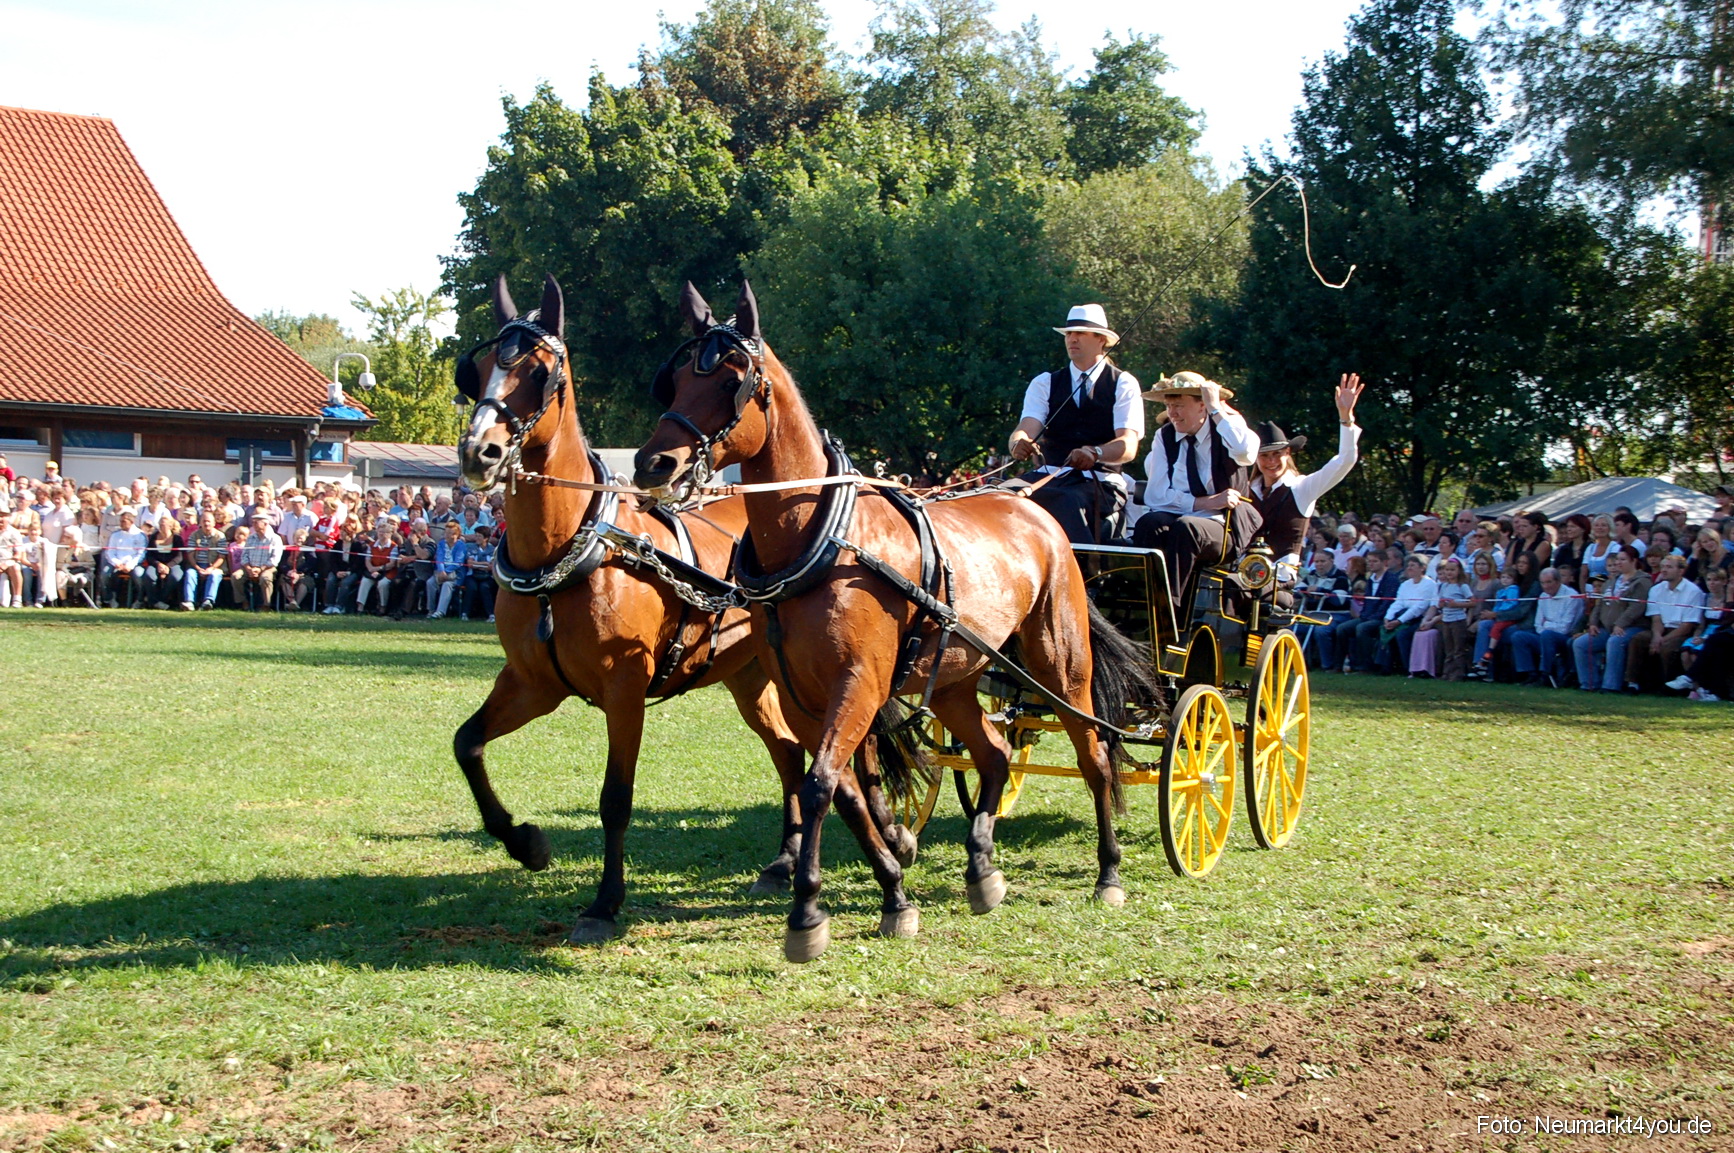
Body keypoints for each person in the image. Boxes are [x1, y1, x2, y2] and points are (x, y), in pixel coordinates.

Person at [1005, 304, 1145, 544]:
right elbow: (1026, 427)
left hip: (1100, 481)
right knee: (997, 495)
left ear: (1101, 339)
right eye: (1069, 333)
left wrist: (1095, 452)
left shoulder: (1123, 383)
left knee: (1063, 499)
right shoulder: (1045, 383)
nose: (1072, 339)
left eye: (1080, 333)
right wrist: (1018, 442)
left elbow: (1128, 445)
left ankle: (1083, 573)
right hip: (1050, 475)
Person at [1131, 371, 1261, 598]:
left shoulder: (1227, 425)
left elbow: (1245, 453)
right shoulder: (1165, 436)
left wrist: (1217, 410)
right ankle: (1142, 600)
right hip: (1184, 515)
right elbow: (1155, 496)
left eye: (1179, 405)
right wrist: (1204, 501)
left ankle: (1169, 608)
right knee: (1149, 523)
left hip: (1225, 525)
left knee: (1187, 528)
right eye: (1169, 405)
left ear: (1202, 406)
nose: (1172, 413)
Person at [1244, 374, 1364, 590]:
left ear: (1288, 453)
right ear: (1256, 459)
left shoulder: (1302, 488)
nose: (1271, 462)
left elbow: (1344, 461)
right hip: (1242, 572)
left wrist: (1346, 418)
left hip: (1279, 579)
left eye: (1277, 454)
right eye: (1264, 456)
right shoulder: (1244, 490)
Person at [1571, 546, 1652, 692]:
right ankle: (1589, 684)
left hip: (1633, 627)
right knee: (1581, 644)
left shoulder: (1642, 582)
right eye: (1617, 560)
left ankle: (1610, 686)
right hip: (1607, 627)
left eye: (1623, 559)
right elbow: (1599, 603)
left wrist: (1620, 624)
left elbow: (1636, 607)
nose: (1619, 563)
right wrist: (1593, 623)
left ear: (1633, 561)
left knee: (1615, 641)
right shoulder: (1611, 581)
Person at [1623, 553, 1705, 692]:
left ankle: (1668, 686)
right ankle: (1633, 682)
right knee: (1638, 639)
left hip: (1681, 632)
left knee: (1667, 648)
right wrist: (1656, 637)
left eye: (1669, 567)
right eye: (1663, 567)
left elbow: (1687, 625)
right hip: (1661, 629)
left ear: (1681, 570)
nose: (1664, 570)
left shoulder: (1693, 591)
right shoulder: (1657, 589)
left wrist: (1662, 640)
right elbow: (1656, 618)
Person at [1507, 567, 1583, 687]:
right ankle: (1529, 674)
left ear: (1558, 581)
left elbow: (1565, 629)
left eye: (1549, 582)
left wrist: (1547, 624)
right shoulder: (1543, 596)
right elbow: (1537, 625)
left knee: (1548, 635)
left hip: (1565, 639)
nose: (1546, 586)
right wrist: (1548, 626)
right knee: (1518, 636)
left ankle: (1545, 674)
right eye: (1543, 583)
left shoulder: (1571, 596)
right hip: (1544, 636)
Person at [1336, 548, 1400, 672]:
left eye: (1374, 561)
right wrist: (1364, 615)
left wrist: (1371, 617)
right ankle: (1338, 665)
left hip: (1381, 618)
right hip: (1367, 616)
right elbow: (1367, 602)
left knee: (1362, 629)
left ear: (1384, 562)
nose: (1371, 564)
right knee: (1342, 629)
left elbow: (1387, 603)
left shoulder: (1391, 580)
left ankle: (1365, 665)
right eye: (1369, 561)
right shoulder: (1370, 579)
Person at [1377, 555, 1436, 673]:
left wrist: (1399, 621)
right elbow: (1398, 603)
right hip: (1403, 616)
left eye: (1413, 565)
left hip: (1419, 618)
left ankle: (1408, 667)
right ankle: (1386, 665)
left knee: (1402, 634)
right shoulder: (1405, 584)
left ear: (1422, 568)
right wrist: (1388, 618)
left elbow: (1419, 608)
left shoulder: (1429, 584)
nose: (1409, 568)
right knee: (1385, 630)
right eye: (1408, 566)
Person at [230, 513, 283, 610]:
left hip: (268, 568)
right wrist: (248, 568)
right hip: (250, 567)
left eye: (256, 522)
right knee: (236, 576)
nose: (253, 524)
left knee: (265, 578)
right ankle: (243, 601)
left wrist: (260, 569)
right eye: (253, 522)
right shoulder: (250, 538)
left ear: (265, 524)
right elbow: (244, 555)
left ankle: (266, 605)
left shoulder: (275, 539)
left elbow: (274, 559)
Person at [181, 511, 227, 610]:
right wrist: (197, 568)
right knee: (190, 573)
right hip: (197, 565)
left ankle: (208, 601)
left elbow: (221, 556)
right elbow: (190, 554)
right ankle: (189, 602)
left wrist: (211, 568)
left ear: (214, 523)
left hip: (214, 565)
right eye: (204, 521)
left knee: (215, 575)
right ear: (200, 523)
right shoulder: (194, 535)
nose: (206, 524)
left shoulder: (220, 536)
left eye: (209, 521)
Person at [354, 518, 399, 616]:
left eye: (384, 532)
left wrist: (378, 569)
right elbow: (367, 560)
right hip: (373, 570)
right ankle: (360, 607)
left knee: (383, 584)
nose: (381, 534)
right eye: (379, 531)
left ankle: (382, 607)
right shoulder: (372, 545)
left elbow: (392, 563)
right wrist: (371, 569)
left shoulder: (393, 546)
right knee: (365, 581)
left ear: (390, 534)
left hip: (388, 571)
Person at [103, 509, 147, 607]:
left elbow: (141, 553)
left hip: (133, 564)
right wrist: (116, 563)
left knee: (139, 575)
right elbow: (110, 551)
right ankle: (109, 599)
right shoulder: (115, 535)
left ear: (131, 522)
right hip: (117, 564)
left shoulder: (140, 535)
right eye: (120, 521)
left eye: (124, 521)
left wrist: (130, 565)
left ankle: (139, 600)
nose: (121, 524)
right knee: (105, 573)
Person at [427, 520, 469, 619]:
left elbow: (458, 562)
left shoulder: (461, 545)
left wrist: (446, 571)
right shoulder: (441, 544)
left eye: (450, 533)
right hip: (441, 572)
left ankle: (440, 611)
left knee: (447, 585)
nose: (446, 535)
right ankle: (430, 610)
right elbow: (439, 558)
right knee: (430, 582)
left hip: (455, 575)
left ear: (456, 535)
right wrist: (441, 570)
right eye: (446, 532)